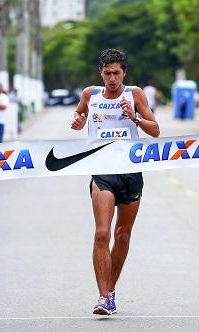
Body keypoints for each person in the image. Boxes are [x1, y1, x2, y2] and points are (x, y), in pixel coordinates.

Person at [70, 49, 160, 315]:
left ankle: (110, 290)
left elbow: (155, 130)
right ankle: (102, 296)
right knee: (102, 232)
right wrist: (77, 120)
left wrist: (134, 117)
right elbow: (79, 116)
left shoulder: (135, 95)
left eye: (116, 73)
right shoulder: (90, 94)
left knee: (122, 235)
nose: (111, 78)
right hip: (102, 170)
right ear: (101, 73)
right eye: (107, 73)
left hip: (131, 171)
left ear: (124, 73)